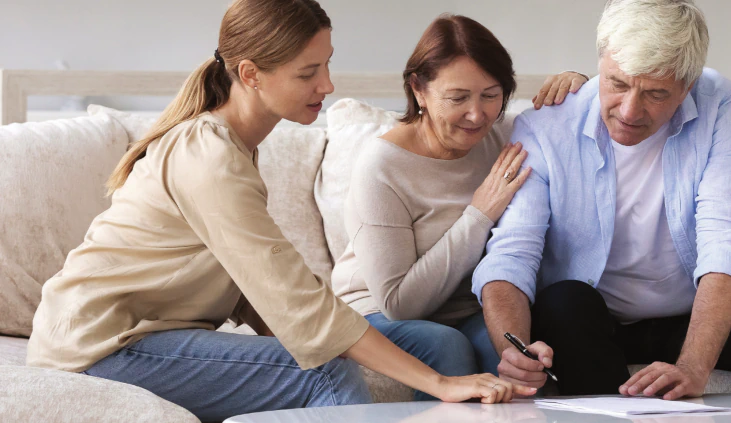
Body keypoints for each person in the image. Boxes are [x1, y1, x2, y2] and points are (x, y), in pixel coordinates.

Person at [26, 1, 536, 421]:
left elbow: (255, 286)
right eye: (308, 72)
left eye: (327, 64)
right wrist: (438, 383)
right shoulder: (209, 157)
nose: (328, 85)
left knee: (325, 357)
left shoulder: (235, 148)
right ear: (251, 74)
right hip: (99, 345)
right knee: (327, 374)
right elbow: (290, 295)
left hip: (131, 336)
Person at [472, 0, 731, 400]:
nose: (629, 111)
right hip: (590, 325)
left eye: (656, 93)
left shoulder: (720, 102)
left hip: (689, 317)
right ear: (601, 62)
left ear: (688, 84)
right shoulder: (546, 124)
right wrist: (513, 348)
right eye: (618, 83)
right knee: (563, 302)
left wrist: (693, 366)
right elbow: (512, 253)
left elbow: (724, 236)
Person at [330, 15, 588, 400]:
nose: (477, 114)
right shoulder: (381, 166)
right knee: (446, 345)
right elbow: (401, 304)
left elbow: (578, 124)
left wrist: (580, 87)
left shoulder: (507, 135)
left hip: (469, 312)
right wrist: (479, 214)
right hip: (378, 315)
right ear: (418, 89)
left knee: (516, 354)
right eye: (457, 98)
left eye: (490, 94)